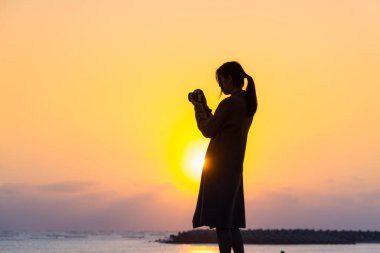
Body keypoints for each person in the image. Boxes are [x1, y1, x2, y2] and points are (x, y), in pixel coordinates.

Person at [189, 61, 257, 253]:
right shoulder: (246, 104)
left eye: (221, 80)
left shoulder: (230, 103)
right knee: (232, 224)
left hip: (220, 171)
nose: (220, 85)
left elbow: (208, 129)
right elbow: (219, 124)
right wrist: (204, 105)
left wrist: (197, 107)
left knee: (222, 224)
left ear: (229, 78)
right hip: (234, 171)